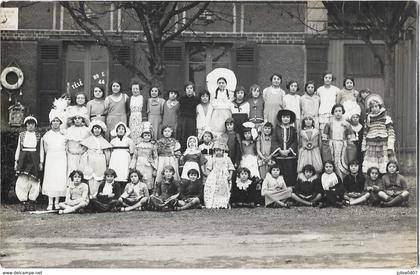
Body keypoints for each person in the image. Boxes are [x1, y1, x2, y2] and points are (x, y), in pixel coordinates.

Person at [362, 94, 396, 174]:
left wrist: (390, 146)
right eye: (372, 107)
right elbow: (365, 133)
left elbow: (391, 133)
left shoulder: (386, 118)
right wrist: (363, 146)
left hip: (383, 144)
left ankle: (384, 181)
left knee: (384, 163)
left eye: (376, 106)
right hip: (371, 144)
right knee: (372, 164)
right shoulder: (368, 119)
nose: (374, 108)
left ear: (380, 106)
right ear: (370, 109)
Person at [14, 116, 42, 212]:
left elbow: (41, 150)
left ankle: (32, 201)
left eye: (32, 124)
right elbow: (18, 148)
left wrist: (41, 162)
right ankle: (23, 201)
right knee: (22, 180)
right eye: (29, 124)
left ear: (35, 125)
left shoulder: (38, 135)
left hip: (34, 158)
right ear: (26, 125)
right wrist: (16, 161)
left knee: (34, 180)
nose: (30, 126)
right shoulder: (21, 135)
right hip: (23, 158)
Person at [41, 110, 67, 211]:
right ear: (51, 123)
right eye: (54, 121)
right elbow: (46, 149)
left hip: (61, 158)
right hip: (51, 158)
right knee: (50, 178)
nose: (55, 123)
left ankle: (57, 202)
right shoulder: (47, 135)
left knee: (59, 178)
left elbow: (66, 147)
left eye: (57, 121)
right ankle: (50, 202)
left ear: (60, 123)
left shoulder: (64, 135)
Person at [80, 120, 112, 196]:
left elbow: (107, 153)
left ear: (101, 130)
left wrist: (107, 163)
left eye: (98, 128)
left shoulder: (103, 141)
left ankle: (97, 195)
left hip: (100, 161)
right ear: (92, 129)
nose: (97, 130)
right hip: (90, 160)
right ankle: (90, 195)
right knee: (90, 178)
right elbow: (83, 151)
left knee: (99, 178)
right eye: (95, 128)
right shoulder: (88, 140)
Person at [322, 104, 353, 180]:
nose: (338, 113)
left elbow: (351, 139)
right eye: (336, 111)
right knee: (332, 163)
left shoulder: (347, 124)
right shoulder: (329, 124)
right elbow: (324, 140)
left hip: (343, 147)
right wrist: (326, 150)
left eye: (340, 111)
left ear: (343, 112)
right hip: (332, 146)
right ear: (333, 112)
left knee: (343, 164)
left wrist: (349, 148)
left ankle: (344, 182)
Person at [204, 141, 235, 209]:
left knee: (225, 190)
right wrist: (210, 177)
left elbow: (231, 168)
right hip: (215, 176)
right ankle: (215, 203)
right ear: (214, 151)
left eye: (220, 150)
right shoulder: (212, 159)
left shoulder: (227, 159)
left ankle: (224, 203)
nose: (218, 152)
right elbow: (209, 169)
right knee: (215, 189)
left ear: (223, 151)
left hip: (224, 176)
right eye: (217, 150)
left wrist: (230, 175)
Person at [272, 109, 298, 187]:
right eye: (284, 117)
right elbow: (274, 140)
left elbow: (295, 141)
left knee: (290, 172)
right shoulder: (277, 129)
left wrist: (289, 150)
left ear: (290, 118)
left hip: (290, 156)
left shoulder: (293, 129)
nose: (285, 119)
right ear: (281, 118)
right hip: (279, 156)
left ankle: (290, 190)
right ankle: (280, 190)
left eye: (287, 117)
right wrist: (280, 150)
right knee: (280, 173)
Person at [130, 123, 158, 194]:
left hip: (148, 165)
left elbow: (155, 157)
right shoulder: (138, 146)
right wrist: (132, 166)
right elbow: (134, 157)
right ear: (142, 136)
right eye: (145, 135)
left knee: (148, 180)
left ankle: (148, 195)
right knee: (139, 179)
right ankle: (138, 195)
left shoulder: (152, 146)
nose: (147, 137)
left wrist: (155, 169)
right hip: (139, 165)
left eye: (148, 135)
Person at [108, 122, 135, 191]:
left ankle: (124, 191)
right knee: (116, 173)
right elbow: (110, 151)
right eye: (119, 129)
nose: (121, 130)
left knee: (124, 173)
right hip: (115, 159)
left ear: (125, 131)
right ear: (116, 131)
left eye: (123, 129)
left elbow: (132, 151)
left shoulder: (129, 140)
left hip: (125, 158)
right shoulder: (113, 141)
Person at [65, 113, 89, 181]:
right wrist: (69, 152)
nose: (77, 120)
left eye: (79, 118)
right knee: (71, 172)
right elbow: (67, 143)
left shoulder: (86, 130)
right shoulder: (69, 130)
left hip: (82, 155)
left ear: (82, 120)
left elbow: (88, 143)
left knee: (82, 172)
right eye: (75, 119)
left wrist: (83, 151)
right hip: (72, 155)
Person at [178, 82, 200, 150]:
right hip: (184, 119)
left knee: (191, 135)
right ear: (185, 90)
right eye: (187, 88)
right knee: (183, 135)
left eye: (191, 88)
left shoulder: (197, 99)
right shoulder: (181, 99)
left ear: (193, 89)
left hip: (192, 119)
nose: (189, 90)